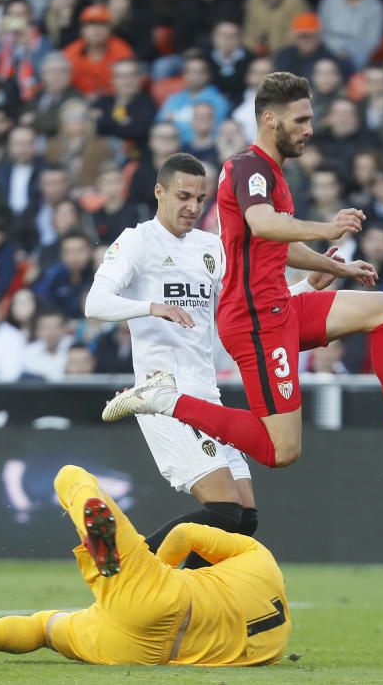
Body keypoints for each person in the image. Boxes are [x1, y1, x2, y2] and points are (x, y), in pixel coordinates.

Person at [103, 73, 383, 471]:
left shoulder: (270, 172)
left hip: (279, 307)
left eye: (310, 119)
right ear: (270, 120)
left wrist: (335, 266)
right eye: (300, 120)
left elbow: (276, 242)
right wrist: (327, 228)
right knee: (282, 451)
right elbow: (263, 223)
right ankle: (165, 399)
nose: (309, 130)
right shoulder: (249, 168)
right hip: (255, 320)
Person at [86, 152, 342, 566]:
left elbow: (250, 307)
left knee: (243, 519)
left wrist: (307, 286)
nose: (192, 207)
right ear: (159, 192)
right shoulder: (138, 241)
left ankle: (185, 605)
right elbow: (95, 303)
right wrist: (151, 307)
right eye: (183, 196)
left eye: (200, 199)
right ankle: (123, 566)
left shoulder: (211, 247)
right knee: (224, 509)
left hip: (206, 395)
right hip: (162, 395)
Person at [0, 464, 291, 666]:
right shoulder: (278, 643)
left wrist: (149, 568)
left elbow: (185, 536)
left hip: (159, 598)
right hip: (141, 651)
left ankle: (89, 524)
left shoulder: (258, 560)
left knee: (69, 475)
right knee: (45, 628)